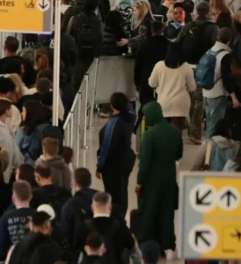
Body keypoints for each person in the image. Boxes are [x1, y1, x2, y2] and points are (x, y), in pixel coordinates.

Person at [136, 102, 182, 255]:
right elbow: (179, 154)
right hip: (169, 178)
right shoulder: (175, 132)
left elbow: (145, 163)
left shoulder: (148, 136)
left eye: (145, 116)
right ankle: (166, 243)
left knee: (149, 211)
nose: (144, 118)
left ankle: (149, 244)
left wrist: (139, 182)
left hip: (151, 181)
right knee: (166, 212)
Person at [96, 92, 134, 221]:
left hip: (113, 166)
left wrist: (100, 166)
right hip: (124, 163)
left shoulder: (114, 123)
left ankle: (115, 220)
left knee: (114, 196)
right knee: (122, 194)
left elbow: (107, 147)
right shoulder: (128, 118)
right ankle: (121, 219)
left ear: (112, 106)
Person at [73, 192, 135, 264]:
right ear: (110, 207)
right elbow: (133, 251)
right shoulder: (121, 228)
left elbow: (76, 252)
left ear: (92, 207)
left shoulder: (82, 228)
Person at [147, 48, 195, 131]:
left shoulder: (159, 65)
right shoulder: (186, 67)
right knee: (176, 133)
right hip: (180, 104)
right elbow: (192, 88)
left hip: (164, 103)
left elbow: (152, 83)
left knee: (164, 132)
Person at [0, 180, 35, 262]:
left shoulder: (5, 218)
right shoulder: (39, 216)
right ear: (31, 197)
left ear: (13, 198)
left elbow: (0, 251)